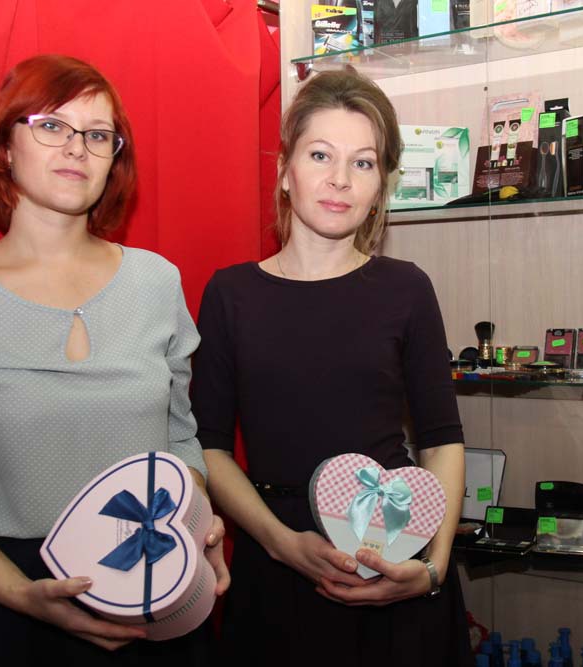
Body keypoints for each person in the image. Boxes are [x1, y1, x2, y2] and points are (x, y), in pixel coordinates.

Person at [0, 54, 229, 666]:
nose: (76, 148)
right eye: (50, 125)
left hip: (148, 584)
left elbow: (179, 440)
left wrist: (193, 520)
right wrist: (21, 594)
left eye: (97, 134)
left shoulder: (157, 282)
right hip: (2, 607)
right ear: (4, 146)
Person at [191, 68, 473, 666]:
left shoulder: (406, 289)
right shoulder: (230, 294)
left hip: (394, 553)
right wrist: (281, 543)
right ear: (284, 170)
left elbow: (442, 440)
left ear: (380, 186)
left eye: (362, 163)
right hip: (275, 568)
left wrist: (432, 567)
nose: (340, 179)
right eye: (320, 155)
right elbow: (209, 447)